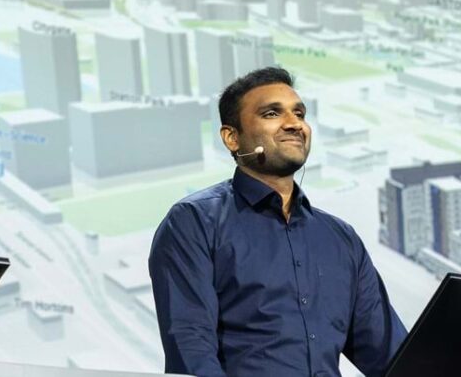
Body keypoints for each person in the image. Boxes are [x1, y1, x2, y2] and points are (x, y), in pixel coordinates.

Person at [149, 67, 407, 377]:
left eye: (299, 113)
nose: (294, 124)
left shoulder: (340, 238)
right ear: (232, 138)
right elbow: (190, 351)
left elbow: (392, 357)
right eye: (272, 113)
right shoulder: (194, 222)